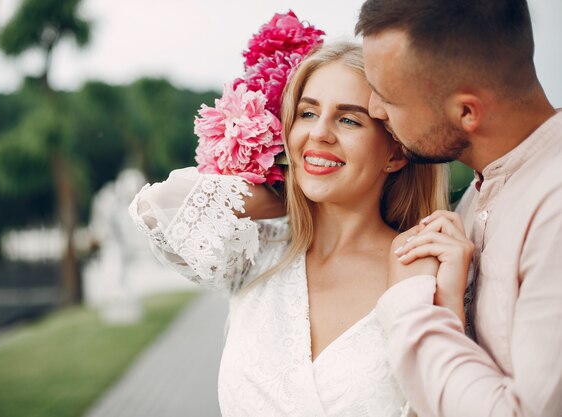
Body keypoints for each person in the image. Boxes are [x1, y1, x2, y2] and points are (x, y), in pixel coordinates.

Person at [129, 41, 447, 417]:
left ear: (394, 153)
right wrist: (279, 195)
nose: (320, 133)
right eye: (308, 113)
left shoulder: (420, 268)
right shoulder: (257, 252)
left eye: (349, 119)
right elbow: (155, 208)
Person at [355, 1, 562, 416]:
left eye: (388, 98)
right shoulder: (475, 197)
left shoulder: (555, 212)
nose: (375, 110)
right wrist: (449, 310)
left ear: (467, 112)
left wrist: (410, 306)